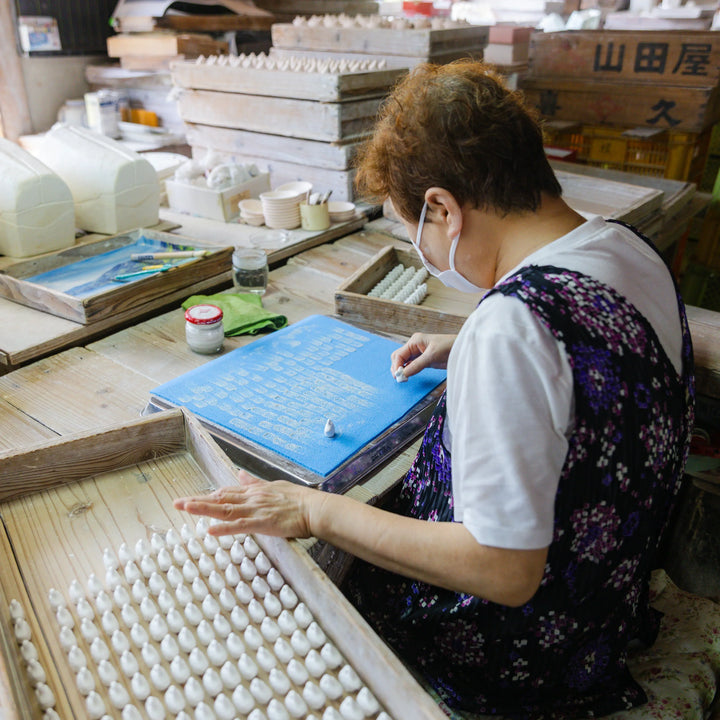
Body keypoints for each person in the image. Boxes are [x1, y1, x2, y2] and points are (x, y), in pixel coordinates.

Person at [174, 60, 694, 718]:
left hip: (525, 657)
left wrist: (312, 512)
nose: (421, 246)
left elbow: (504, 570)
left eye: (413, 225)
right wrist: (467, 343)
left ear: (444, 208)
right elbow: (596, 360)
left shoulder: (512, 330)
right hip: (607, 603)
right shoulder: (624, 246)